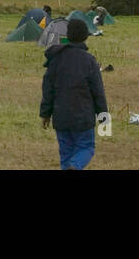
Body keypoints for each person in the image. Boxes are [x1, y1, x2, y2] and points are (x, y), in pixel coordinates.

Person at [40, 17, 108, 170]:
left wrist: (45, 114)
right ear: (85, 37)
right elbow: (98, 92)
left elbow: (47, 89)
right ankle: (75, 166)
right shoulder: (89, 61)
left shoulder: (55, 59)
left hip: (61, 116)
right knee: (86, 147)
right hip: (83, 117)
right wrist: (104, 118)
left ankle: (70, 166)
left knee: (66, 153)